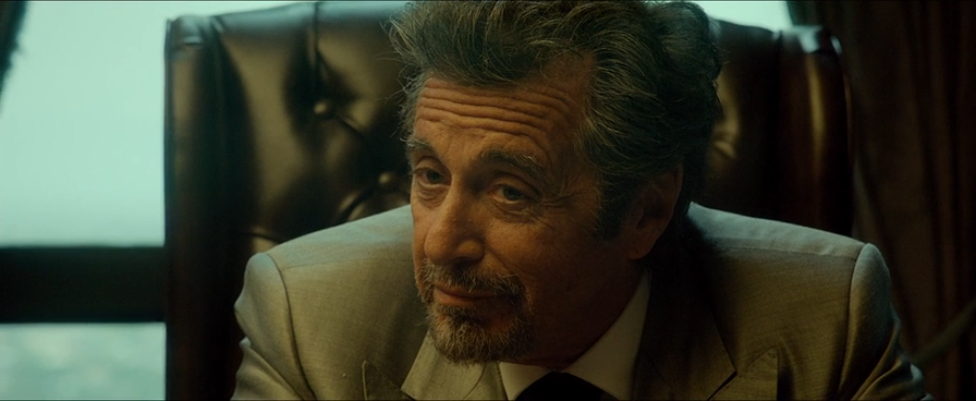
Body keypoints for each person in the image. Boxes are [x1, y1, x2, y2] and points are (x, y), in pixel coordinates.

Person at [232, 1, 928, 399]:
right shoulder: (307, 319)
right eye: (430, 175)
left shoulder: (828, 318)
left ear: (645, 212)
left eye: (510, 191)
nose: (440, 243)